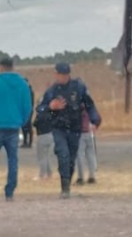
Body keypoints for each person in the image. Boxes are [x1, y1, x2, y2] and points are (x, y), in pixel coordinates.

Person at [36, 63, 101, 199]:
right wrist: (50, 106)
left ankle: (67, 182)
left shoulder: (78, 87)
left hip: (74, 128)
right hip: (58, 128)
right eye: (59, 74)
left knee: (71, 158)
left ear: (68, 74)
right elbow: (40, 109)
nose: (61, 77)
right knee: (63, 154)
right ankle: (64, 187)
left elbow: (89, 104)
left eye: (64, 74)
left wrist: (95, 120)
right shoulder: (52, 91)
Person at [0, 57, 32, 202]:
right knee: (12, 159)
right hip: (13, 127)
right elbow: (27, 106)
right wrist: (21, 121)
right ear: (13, 66)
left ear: (1, 67)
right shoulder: (23, 84)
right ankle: (9, 192)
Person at [75, 109, 98, 185]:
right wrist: (95, 125)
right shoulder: (90, 108)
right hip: (90, 133)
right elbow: (98, 118)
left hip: (80, 133)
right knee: (91, 155)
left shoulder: (77, 107)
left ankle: (81, 178)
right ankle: (92, 176)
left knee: (80, 156)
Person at [33, 106, 55, 181]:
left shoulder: (40, 116)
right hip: (51, 135)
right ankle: (49, 173)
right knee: (48, 156)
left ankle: (42, 174)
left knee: (42, 157)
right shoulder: (51, 115)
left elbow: (35, 124)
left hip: (42, 135)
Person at [21, 78, 35, 148]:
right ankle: (25, 141)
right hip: (23, 110)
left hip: (29, 110)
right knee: (23, 126)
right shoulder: (22, 91)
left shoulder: (30, 91)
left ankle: (30, 142)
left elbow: (31, 102)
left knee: (28, 126)